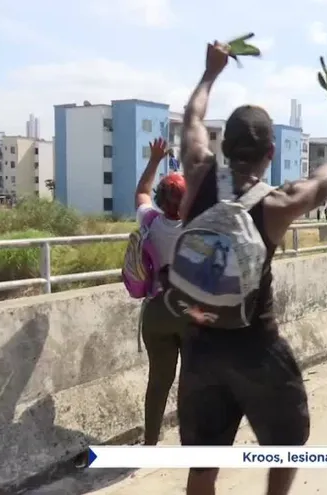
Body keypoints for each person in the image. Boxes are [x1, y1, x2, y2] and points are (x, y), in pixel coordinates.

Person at [175, 42, 327, 495]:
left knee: (202, 466)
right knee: (286, 446)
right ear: (270, 153)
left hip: (198, 345)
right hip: (257, 347)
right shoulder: (279, 204)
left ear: (223, 145)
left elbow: (192, 118)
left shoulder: (196, 172)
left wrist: (210, 73)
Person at [134, 137, 187, 446]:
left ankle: (150, 444)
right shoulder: (197, 225)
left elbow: (141, 191)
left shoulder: (150, 221)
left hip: (155, 311)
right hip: (189, 311)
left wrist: (155, 159)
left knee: (158, 382)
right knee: (192, 379)